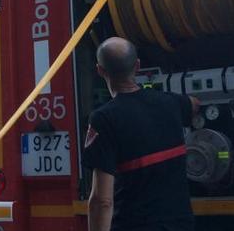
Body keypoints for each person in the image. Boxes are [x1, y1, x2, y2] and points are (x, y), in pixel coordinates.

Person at [85, 37, 199, 231]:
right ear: (137, 66)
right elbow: (194, 103)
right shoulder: (170, 103)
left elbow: (102, 201)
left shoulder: (104, 119)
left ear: (100, 71)